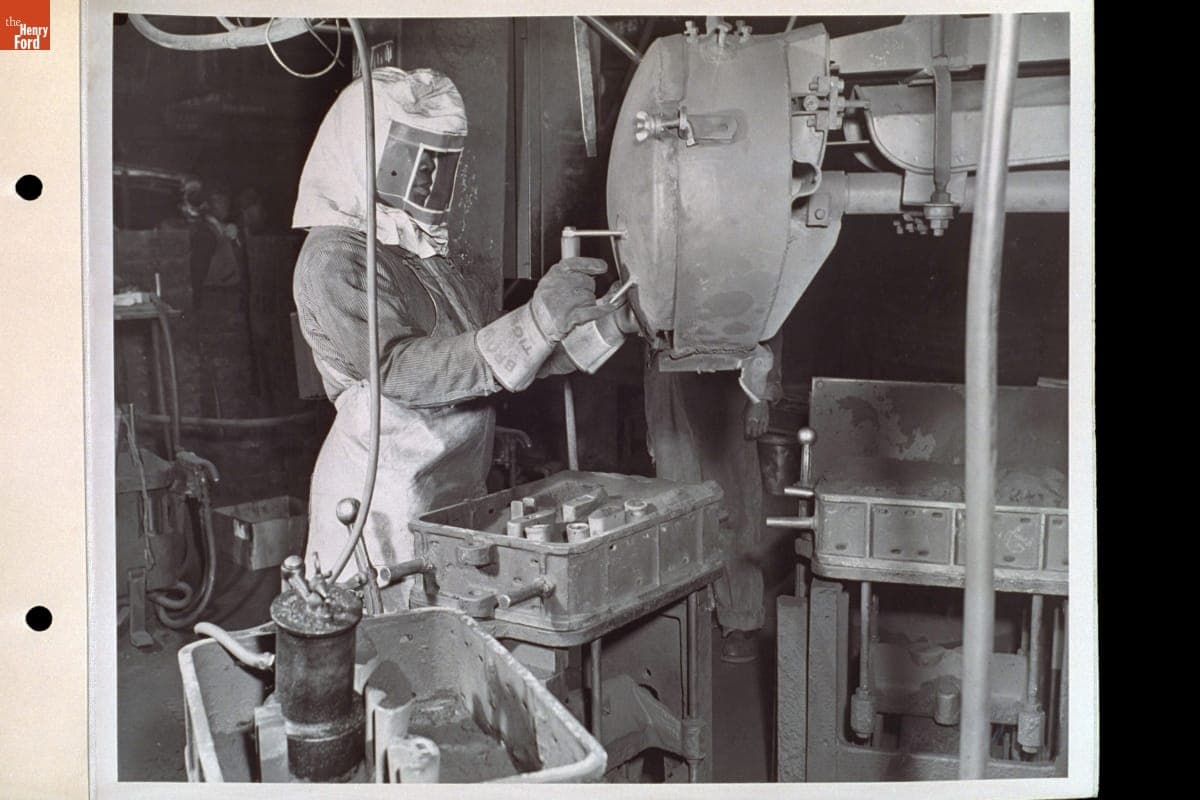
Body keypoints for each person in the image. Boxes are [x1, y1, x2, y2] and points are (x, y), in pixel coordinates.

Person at [292, 68, 608, 609]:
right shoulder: (334, 259)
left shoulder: (420, 248)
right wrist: (536, 319)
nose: (429, 178)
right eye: (413, 157)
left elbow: (496, 358)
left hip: (450, 490)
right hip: (380, 502)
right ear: (364, 150)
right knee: (389, 646)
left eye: (441, 160)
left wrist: (604, 328)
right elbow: (402, 371)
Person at [643, 336, 782, 663]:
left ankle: (740, 618)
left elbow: (771, 317)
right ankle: (687, 612)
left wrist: (760, 395)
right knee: (676, 506)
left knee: (733, 505)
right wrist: (654, 415)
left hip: (725, 375)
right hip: (666, 374)